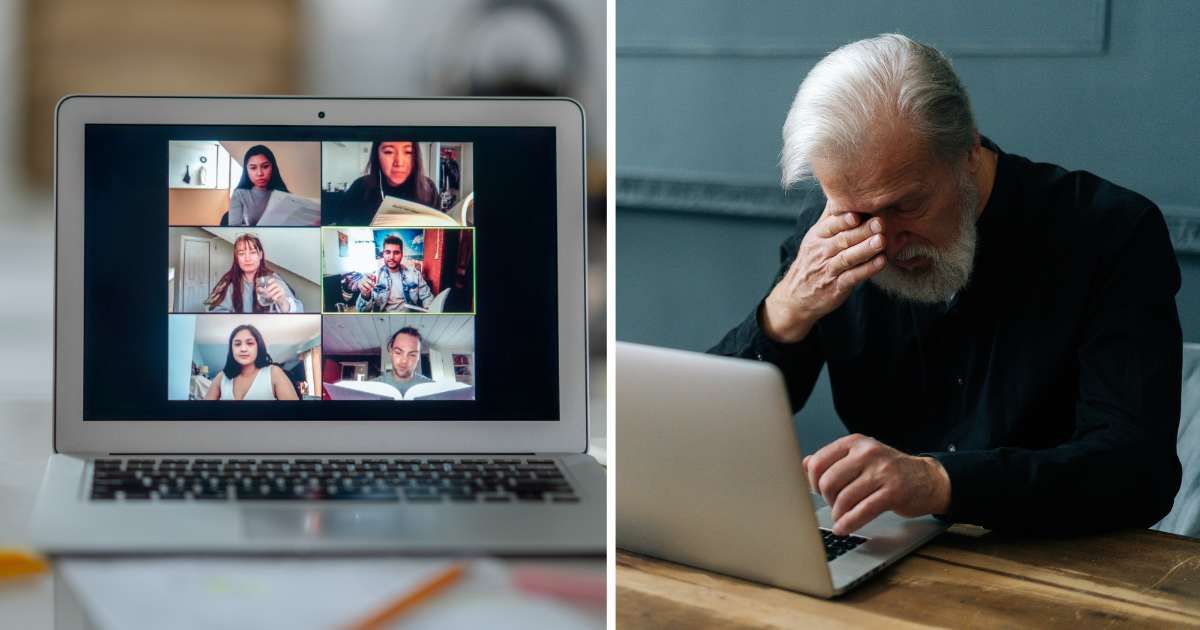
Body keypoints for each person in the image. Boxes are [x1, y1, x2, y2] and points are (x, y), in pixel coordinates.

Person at [710, 34, 1181, 537]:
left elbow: (1137, 473)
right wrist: (786, 311)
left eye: (906, 206)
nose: (883, 240)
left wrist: (940, 482)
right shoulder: (827, 233)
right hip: (887, 554)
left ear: (968, 149)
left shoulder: (1111, 233)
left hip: (1060, 557)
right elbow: (709, 429)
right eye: (856, 211)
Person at [334, 141, 440, 225]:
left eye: (408, 152)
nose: (399, 162)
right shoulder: (359, 188)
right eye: (389, 152)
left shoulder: (428, 189)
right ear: (377, 156)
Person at [205, 233, 303, 313]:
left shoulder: (273, 280)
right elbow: (211, 309)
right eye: (241, 253)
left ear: (260, 255)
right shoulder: (228, 282)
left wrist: (283, 302)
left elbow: (299, 311)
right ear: (236, 258)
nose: (247, 258)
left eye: (252, 252)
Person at [203, 324, 299, 401]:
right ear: (231, 349)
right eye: (237, 344)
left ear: (258, 346)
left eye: (250, 343)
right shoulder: (221, 377)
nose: (243, 349)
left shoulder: (274, 373)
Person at [354, 235, 433, 312]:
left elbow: (427, 297)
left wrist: (428, 311)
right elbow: (361, 310)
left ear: (401, 255)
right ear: (383, 254)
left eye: (396, 253)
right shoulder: (374, 277)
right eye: (388, 252)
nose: (391, 257)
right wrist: (365, 295)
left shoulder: (415, 274)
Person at [228, 145, 291, 226]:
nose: (260, 173)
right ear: (246, 170)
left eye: (265, 166)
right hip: (251, 238)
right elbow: (234, 228)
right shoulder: (239, 194)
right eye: (253, 168)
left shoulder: (284, 195)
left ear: (273, 167)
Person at [370, 327, 433, 396]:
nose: (404, 361)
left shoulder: (433, 388)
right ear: (391, 351)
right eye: (398, 352)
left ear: (418, 357)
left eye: (412, 355)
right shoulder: (372, 387)